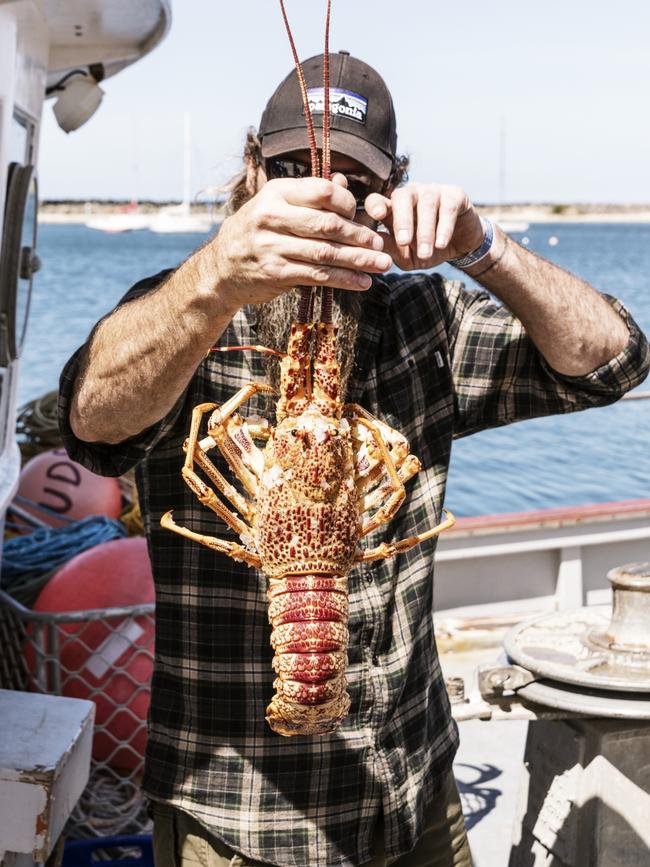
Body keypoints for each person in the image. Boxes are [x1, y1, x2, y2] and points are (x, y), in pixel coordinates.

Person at [58, 51, 649, 867]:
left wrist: (483, 248)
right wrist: (217, 279)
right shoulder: (186, 312)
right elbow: (90, 425)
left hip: (413, 791)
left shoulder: (427, 321)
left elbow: (615, 362)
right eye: (294, 171)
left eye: (353, 184)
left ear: (393, 191)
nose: (322, 200)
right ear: (253, 171)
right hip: (240, 820)